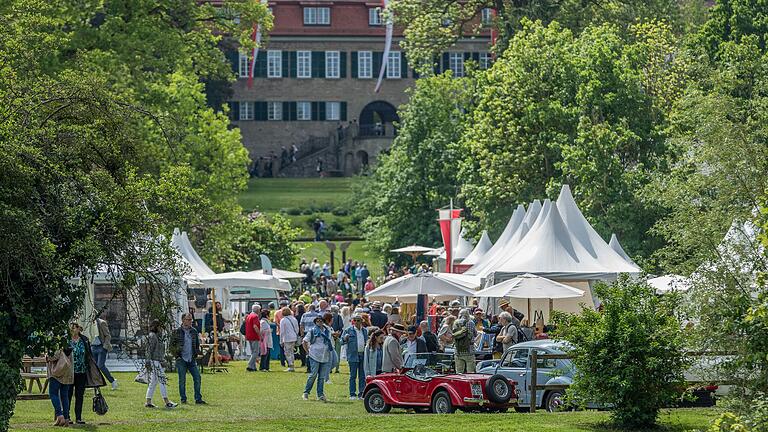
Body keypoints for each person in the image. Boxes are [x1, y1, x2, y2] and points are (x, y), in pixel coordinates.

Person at [170, 313, 206, 405]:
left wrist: (197, 353)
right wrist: (177, 356)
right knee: (182, 380)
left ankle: (198, 398)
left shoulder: (193, 331)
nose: (190, 321)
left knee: (197, 378)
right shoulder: (177, 332)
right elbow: (171, 346)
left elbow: (197, 344)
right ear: (183, 320)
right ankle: (183, 398)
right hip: (181, 359)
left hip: (191, 359)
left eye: (191, 320)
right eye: (188, 319)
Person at [145, 320, 178, 408]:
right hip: (154, 361)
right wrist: (148, 362)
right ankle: (167, 402)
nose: (161, 329)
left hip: (156, 361)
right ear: (156, 327)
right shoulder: (152, 336)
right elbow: (149, 350)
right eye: (160, 327)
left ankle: (148, 401)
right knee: (162, 380)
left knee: (153, 382)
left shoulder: (156, 336)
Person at [302, 316, 334, 401]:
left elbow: (330, 341)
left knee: (322, 377)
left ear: (323, 322)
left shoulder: (328, 331)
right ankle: (306, 392)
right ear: (315, 322)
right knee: (313, 374)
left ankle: (320, 394)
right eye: (317, 321)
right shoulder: (312, 331)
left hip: (325, 355)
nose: (319, 322)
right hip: (314, 355)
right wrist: (307, 352)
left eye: (320, 321)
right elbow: (304, 341)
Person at [67, 322, 93, 425]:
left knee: (79, 395)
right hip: (69, 371)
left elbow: (89, 354)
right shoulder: (67, 340)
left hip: (81, 371)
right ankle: (67, 416)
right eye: (72, 328)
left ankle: (78, 417)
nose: (73, 330)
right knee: (68, 394)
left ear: (79, 329)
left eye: (75, 328)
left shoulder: (84, 340)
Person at [341, 315, 368, 399]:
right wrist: (345, 338)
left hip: (363, 355)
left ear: (361, 321)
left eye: (358, 320)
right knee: (352, 376)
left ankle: (361, 393)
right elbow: (341, 341)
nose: (356, 322)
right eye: (355, 320)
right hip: (353, 355)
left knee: (362, 376)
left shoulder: (364, 331)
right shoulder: (348, 330)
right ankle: (352, 394)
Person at [91, 312, 117, 390]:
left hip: (101, 347)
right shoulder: (88, 324)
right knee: (95, 367)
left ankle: (112, 381)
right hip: (93, 347)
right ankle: (96, 385)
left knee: (100, 365)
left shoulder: (102, 323)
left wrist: (105, 347)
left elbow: (108, 335)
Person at [47, 347, 73, 426]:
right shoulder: (69, 342)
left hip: (56, 374)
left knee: (53, 393)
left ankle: (59, 415)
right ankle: (66, 418)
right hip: (67, 372)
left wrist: (46, 356)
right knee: (64, 396)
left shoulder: (57, 343)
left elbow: (53, 356)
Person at [451, 309, 477, 373]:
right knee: (470, 372)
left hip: (458, 350)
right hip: (469, 350)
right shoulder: (471, 323)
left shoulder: (456, 322)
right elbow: (475, 334)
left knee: (459, 372)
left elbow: (454, 334)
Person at [279, 307, 299, 372]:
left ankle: (291, 366)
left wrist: (281, 340)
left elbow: (282, 331)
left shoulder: (283, 320)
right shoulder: (294, 319)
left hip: (287, 338)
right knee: (291, 352)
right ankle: (292, 364)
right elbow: (297, 328)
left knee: (287, 352)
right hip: (294, 337)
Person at [245, 304, 261, 372]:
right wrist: (259, 334)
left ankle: (253, 367)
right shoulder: (255, 316)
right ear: (258, 310)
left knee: (252, 352)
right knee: (255, 352)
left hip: (249, 335)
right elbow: (255, 326)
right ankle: (249, 365)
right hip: (254, 336)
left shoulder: (249, 316)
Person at [330, 305, 344, 373]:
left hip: (330, 336)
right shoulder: (338, 316)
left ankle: (330, 368)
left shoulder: (328, 316)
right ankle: (337, 368)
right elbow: (341, 326)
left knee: (330, 353)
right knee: (337, 353)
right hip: (337, 336)